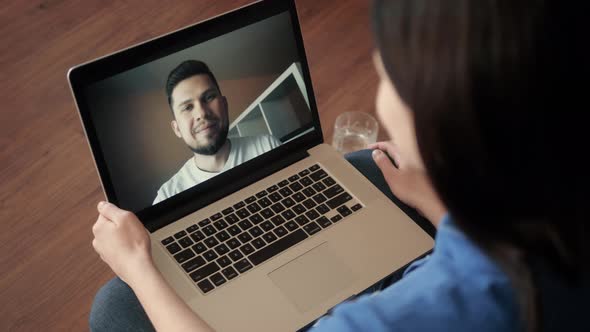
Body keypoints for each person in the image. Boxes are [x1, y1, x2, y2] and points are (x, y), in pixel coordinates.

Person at [90, 0, 588, 331]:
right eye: (186, 108)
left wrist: (138, 268)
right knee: (358, 167)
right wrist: (440, 205)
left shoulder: (380, 323)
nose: (202, 114)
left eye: (386, 71)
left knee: (115, 305)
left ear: (444, 117)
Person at [153, 60, 282, 204]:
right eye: (188, 107)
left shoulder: (266, 146)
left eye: (208, 98)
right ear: (177, 129)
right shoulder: (168, 195)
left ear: (225, 105)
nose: (201, 113)